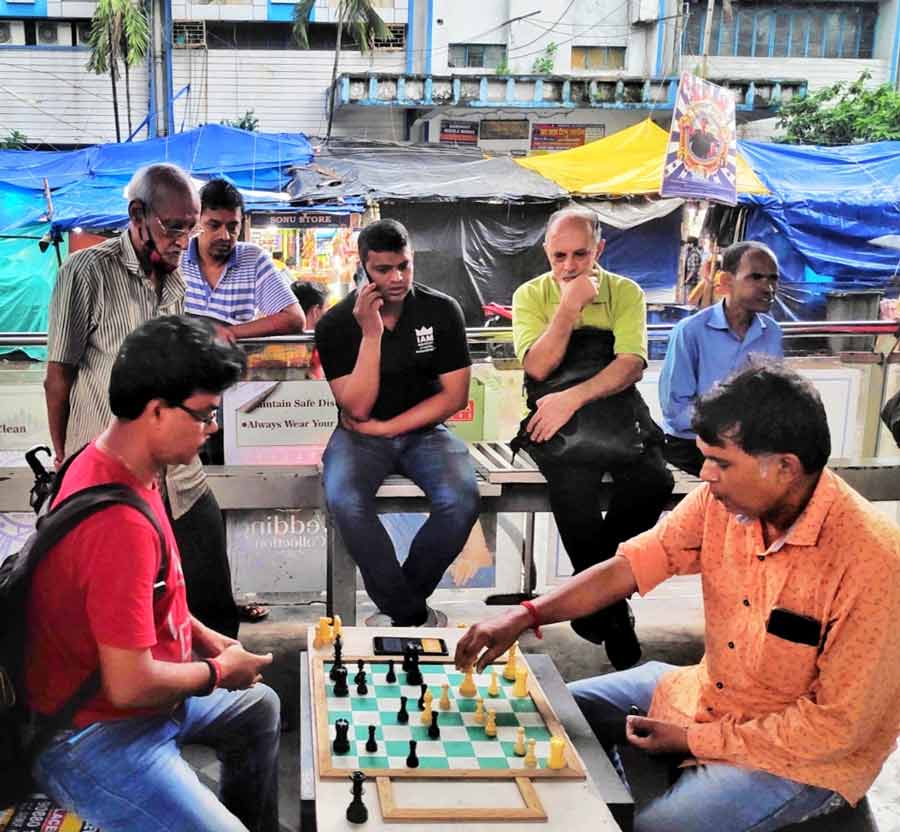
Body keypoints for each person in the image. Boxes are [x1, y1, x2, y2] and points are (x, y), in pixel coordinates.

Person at [456, 361, 900, 832]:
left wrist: (693, 739)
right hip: (705, 692)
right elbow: (629, 565)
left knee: (650, 829)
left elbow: (834, 730)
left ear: (785, 467)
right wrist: (525, 616)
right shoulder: (721, 503)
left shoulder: (873, 563)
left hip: (797, 759)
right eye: (705, 457)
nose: (705, 475)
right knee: (542, 712)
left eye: (722, 462)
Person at [28, 316, 280, 832]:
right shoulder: (116, 523)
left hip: (142, 700)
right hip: (93, 736)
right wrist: (217, 673)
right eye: (206, 415)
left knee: (259, 707)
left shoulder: (119, 463)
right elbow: (130, 685)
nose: (213, 430)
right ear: (157, 410)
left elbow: (154, 597)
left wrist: (210, 640)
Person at [44, 163, 241, 637]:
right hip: (109, 477)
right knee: (126, 620)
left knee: (213, 604)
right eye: (174, 226)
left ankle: (219, 703)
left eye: (190, 227)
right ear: (137, 214)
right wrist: (66, 460)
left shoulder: (177, 282)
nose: (183, 240)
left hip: (178, 476)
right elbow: (58, 377)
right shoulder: (86, 272)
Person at [512, 207, 674, 668]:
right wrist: (569, 307)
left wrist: (573, 398)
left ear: (598, 250)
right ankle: (613, 610)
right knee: (572, 485)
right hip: (555, 420)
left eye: (580, 254)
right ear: (546, 251)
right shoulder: (530, 295)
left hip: (616, 411)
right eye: (559, 255)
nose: (568, 265)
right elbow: (538, 367)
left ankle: (593, 595)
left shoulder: (626, 292)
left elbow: (631, 365)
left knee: (654, 483)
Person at [315, 219, 480, 627]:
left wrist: (390, 429)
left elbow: (454, 396)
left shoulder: (441, 310)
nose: (397, 278)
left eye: (405, 266)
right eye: (384, 270)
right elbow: (356, 409)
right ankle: (408, 613)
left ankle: (400, 603)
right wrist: (371, 335)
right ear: (364, 268)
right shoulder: (335, 324)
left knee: (461, 501)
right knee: (345, 501)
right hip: (358, 438)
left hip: (425, 432)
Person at [660, 241, 783, 477]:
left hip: (746, 442)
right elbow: (675, 412)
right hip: (693, 443)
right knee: (746, 479)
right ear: (726, 281)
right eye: (756, 277)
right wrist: (730, 430)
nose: (768, 288)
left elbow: (774, 397)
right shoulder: (691, 331)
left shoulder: (771, 332)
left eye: (773, 278)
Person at [183, 179, 305, 339]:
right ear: (197, 222)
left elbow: (294, 319)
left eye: (232, 227)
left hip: (231, 360)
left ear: (241, 224)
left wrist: (227, 334)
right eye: (214, 225)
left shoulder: (254, 260)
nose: (225, 236)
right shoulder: (178, 257)